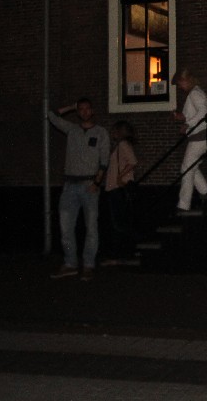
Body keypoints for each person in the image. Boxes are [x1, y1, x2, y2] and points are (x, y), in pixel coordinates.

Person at [48, 98, 111, 281]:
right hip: (70, 185)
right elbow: (51, 114)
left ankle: (88, 265)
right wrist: (70, 106)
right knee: (66, 227)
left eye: (87, 109)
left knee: (91, 227)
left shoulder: (101, 133)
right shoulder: (72, 129)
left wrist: (97, 183)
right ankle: (70, 264)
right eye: (81, 109)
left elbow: (104, 160)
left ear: (92, 111)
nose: (84, 112)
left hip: (89, 185)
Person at [172, 69, 207, 211]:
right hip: (203, 135)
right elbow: (198, 113)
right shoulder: (196, 93)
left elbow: (204, 113)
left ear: (186, 80)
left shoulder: (194, 93)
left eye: (179, 83)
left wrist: (188, 124)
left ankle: (184, 205)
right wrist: (183, 118)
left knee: (186, 168)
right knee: (191, 167)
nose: (180, 87)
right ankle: (206, 193)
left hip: (201, 136)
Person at [100, 120, 138, 264]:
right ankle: (125, 252)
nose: (112, 133)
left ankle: (121, 254)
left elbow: (133, 161)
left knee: (118, 223)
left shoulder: (122, 144)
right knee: (120, 222)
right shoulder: (123, 145)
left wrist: (119, 176)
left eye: (114, 130)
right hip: (116, 188)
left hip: (117, 188)